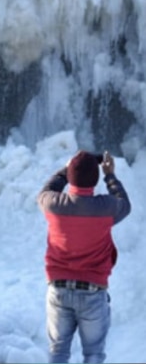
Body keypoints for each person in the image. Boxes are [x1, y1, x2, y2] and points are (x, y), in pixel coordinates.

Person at [37, 150, 131, 363]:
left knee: (58, 351)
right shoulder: (105, 207)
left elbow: (45, 191)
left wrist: (65, 171)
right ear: (95, 179)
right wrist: (110, 175)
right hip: (92, 292)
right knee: (94, 353)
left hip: (58, 289)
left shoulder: (53, 204)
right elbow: (125, 204)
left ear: (70, 175)